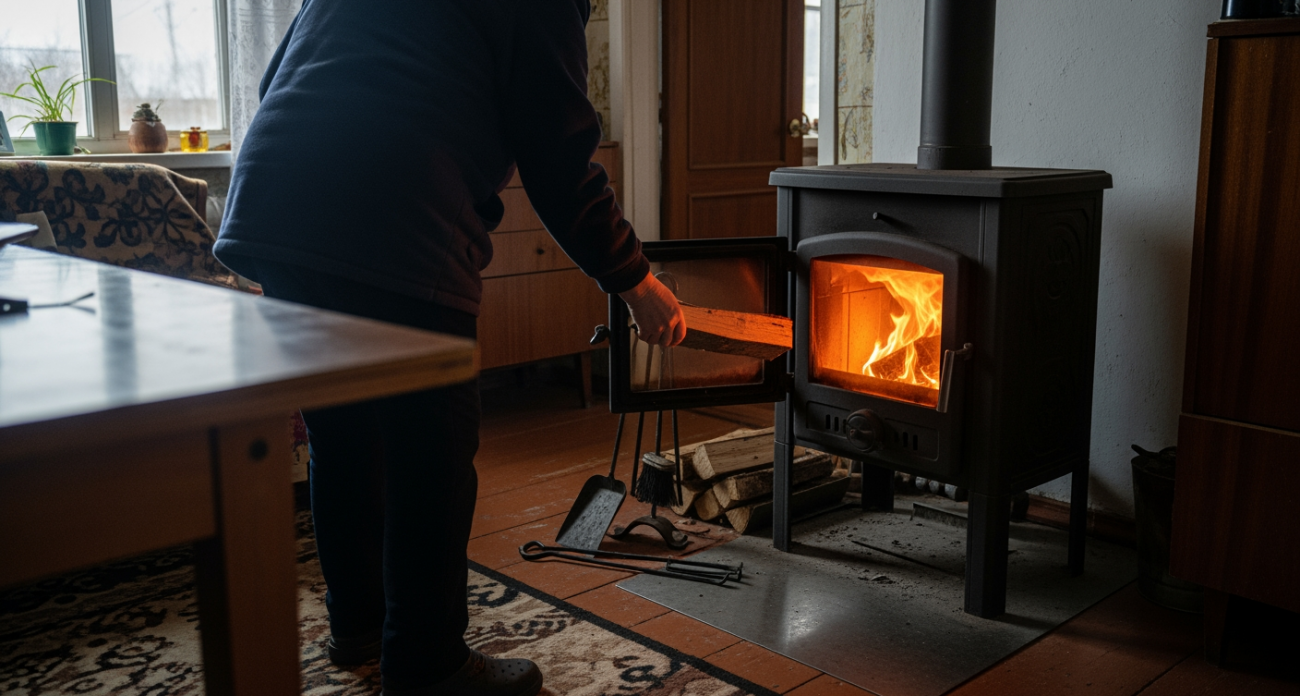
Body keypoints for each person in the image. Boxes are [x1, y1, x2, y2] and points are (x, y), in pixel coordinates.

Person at [212, 1, 685, 695]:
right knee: (429, 457)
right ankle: (428, 665)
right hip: (397, 211)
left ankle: (360, 627)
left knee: (342, 438)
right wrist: (635, 280)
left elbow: (280, 76)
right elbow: (557, 155)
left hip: (277, 195)